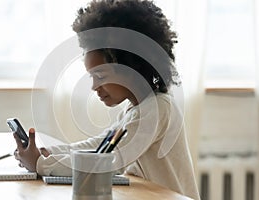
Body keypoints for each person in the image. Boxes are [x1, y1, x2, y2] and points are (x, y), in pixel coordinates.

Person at [13, 0, 200, 199]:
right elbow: (99, 146)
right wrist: (48, 153)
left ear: (133, 67)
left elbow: (110, 161)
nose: (94, 87)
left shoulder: (157, 110)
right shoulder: (136, 108)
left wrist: (41, 164)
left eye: (101, 77)